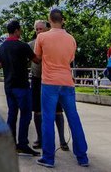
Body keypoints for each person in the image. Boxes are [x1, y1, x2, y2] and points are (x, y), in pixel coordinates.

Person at [34, 9, 89, 168]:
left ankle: (49, 158)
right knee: (74, 118)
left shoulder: (42, 37)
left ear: (49, 20)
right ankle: (82, 157)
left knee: (48, 119)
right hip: (67, 81)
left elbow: (37, 57)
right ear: (62, 20)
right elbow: (70, 58)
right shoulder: (71, 39)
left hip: (49, 82)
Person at [0, 19, 40, 157]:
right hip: (21, 86)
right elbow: (36, 60)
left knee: (12, 114)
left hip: (8, 86)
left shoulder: (2, 47)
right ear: (16, 30)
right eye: (20, 29)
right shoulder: (22, 46)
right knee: (26, 115)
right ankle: (22, 144)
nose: (21, 32)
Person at [28, 20, 68, 151]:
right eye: (37, 29)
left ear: (47, 29)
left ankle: (62, 140)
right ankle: (40, 138)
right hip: (37, 79)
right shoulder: (30, 45)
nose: (39, 31)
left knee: (58, 110)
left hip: (52, 80)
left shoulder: (55, 43)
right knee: (37, 110)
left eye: (41, 29)